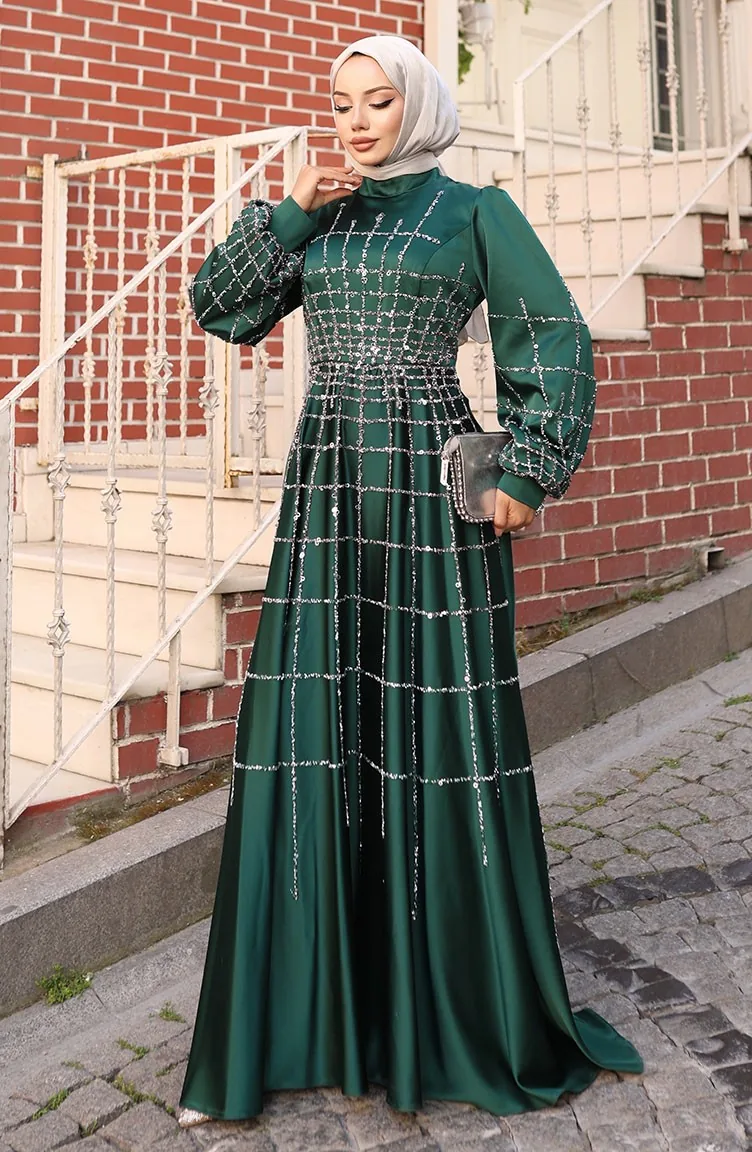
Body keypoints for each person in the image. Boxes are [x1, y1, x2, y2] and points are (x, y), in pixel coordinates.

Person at [178, 34, 642, 1126]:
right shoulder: (319, 212)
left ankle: (447, 1015)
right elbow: (218, 307)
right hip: (331, 488)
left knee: (434, 733)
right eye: (340, 102)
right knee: (318, 727)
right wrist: (289, 211)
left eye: (376, 101)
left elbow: (553, 335)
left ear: (418, 106)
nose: (353, 120)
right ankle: (314, 1020)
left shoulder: (473, 212)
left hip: (431, 499)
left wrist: (530, 466)